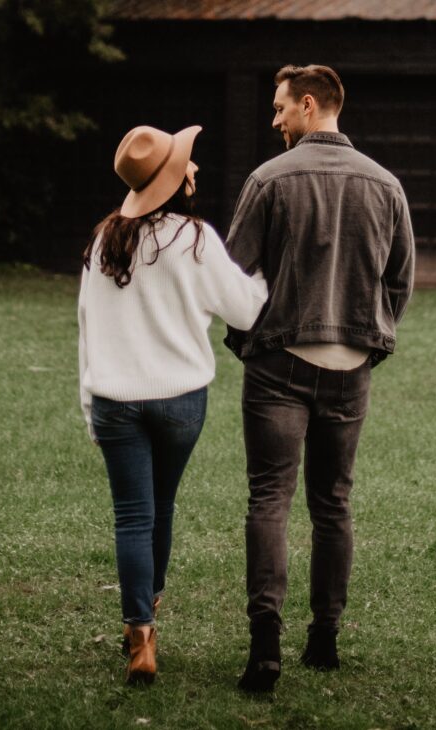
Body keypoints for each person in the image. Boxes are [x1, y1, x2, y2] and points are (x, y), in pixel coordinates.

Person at [223, 65, 416, 692]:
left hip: (279, 365)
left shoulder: (268, 180)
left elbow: (231, 278)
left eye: (280, 108)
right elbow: (401, 282)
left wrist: (248, 340)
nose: (274, 119)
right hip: (350, 369)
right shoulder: (386, 185)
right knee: (333, 504)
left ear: (310, 105)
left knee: (268, 500)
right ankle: (325, 640)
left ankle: (265, 650)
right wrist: (366, 339)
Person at [79, 124, 268, 685]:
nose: (195, 169)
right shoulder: (196, 239)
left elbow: (86, 330)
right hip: (181, 401)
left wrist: (89, 407)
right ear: (172, 180)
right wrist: (264, 273)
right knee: (160, 509)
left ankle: (140, 635)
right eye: (187, 164)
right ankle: (149, 607)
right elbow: (247, 310)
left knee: (131, 516)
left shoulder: (102, 241)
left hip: (114, 399)